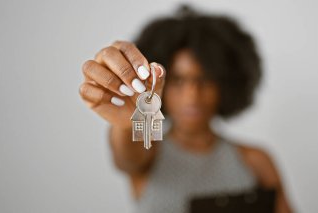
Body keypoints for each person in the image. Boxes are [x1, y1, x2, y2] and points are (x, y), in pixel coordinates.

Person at [79, 6, 293, 213]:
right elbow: (128, 158)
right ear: (162, 83)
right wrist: (132, 122)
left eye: (205, 80)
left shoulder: (255, 160)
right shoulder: (150, 155)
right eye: (178, 81)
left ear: (225, 84)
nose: (192, 96)